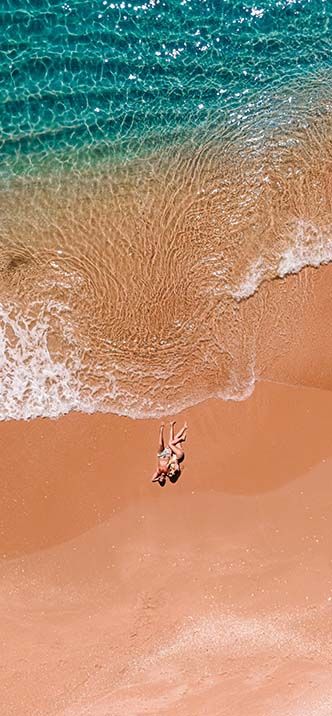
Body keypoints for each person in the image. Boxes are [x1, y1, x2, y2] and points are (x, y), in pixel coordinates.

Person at [151, 421, 187, 485]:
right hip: (167, 454)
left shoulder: (158, 472)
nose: (161, 478)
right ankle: (172, 426)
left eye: (160, 479)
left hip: (160, 455)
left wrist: (157, 479)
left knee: (160, 444)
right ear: (165, 479)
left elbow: (152, 480)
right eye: (163, 479)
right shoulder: (167, 472)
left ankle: (162, 429)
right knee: (171, 440)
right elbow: (175, 468)